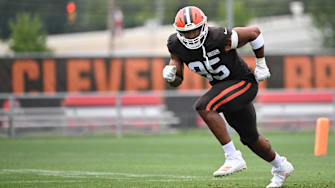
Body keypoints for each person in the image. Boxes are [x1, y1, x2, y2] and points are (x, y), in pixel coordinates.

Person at [162, 6, 294, 188]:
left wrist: (261, 64)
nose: (192, 36)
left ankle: (233, 156)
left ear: (204, 26)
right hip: (225, 90)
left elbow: (254, 33)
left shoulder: (218, 38)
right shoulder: (175, 45)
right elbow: (177, 80)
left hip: (243, 83)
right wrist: (171, 77)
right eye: (187, 32)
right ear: (179, 32)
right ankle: (281, 167)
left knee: (204, 106)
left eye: (195, 30)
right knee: (250, 138)